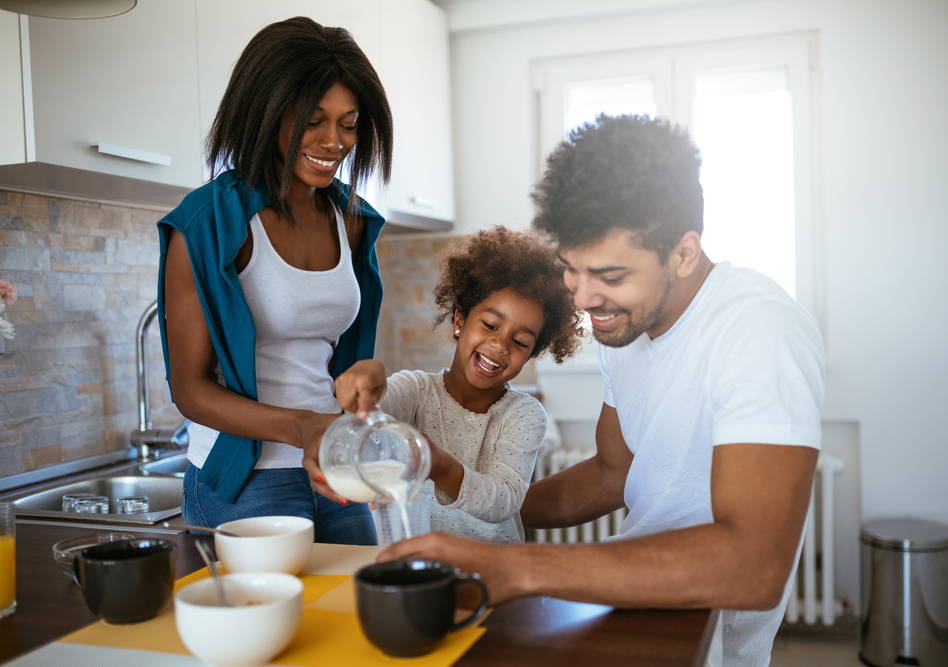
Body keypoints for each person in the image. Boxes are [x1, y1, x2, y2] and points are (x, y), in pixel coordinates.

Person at [379, 115, 825, 666]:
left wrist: (516, 569)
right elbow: (615, 471)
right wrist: (478, 513)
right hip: (631, 600)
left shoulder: (758, 330)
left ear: (683, 253)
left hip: (705, 631)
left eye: (610, 276)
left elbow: (753, 565)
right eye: (572, 270)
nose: (586, 299)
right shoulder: (625, 334)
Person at [156, 17, 393, 544]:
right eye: (312, 121)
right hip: (246, 479)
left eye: (349, 124)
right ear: (264, 113)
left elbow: (337, 360)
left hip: (332, 466)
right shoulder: (208, 224)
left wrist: (366, 376)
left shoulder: (353, 221)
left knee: (352, 613)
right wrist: (303, 427)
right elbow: (190, 390)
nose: (334, 142)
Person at [331, 226, 581, 542]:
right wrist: (369, 376)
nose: (500, 345)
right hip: (418, 565)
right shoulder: (415, 391)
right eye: (490, 325)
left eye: (519, 342)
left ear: (532, 354)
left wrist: (442, 467)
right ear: (460, 320)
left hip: (494, 571)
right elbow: (366, 414)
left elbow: (504, 500)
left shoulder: (524, 415)